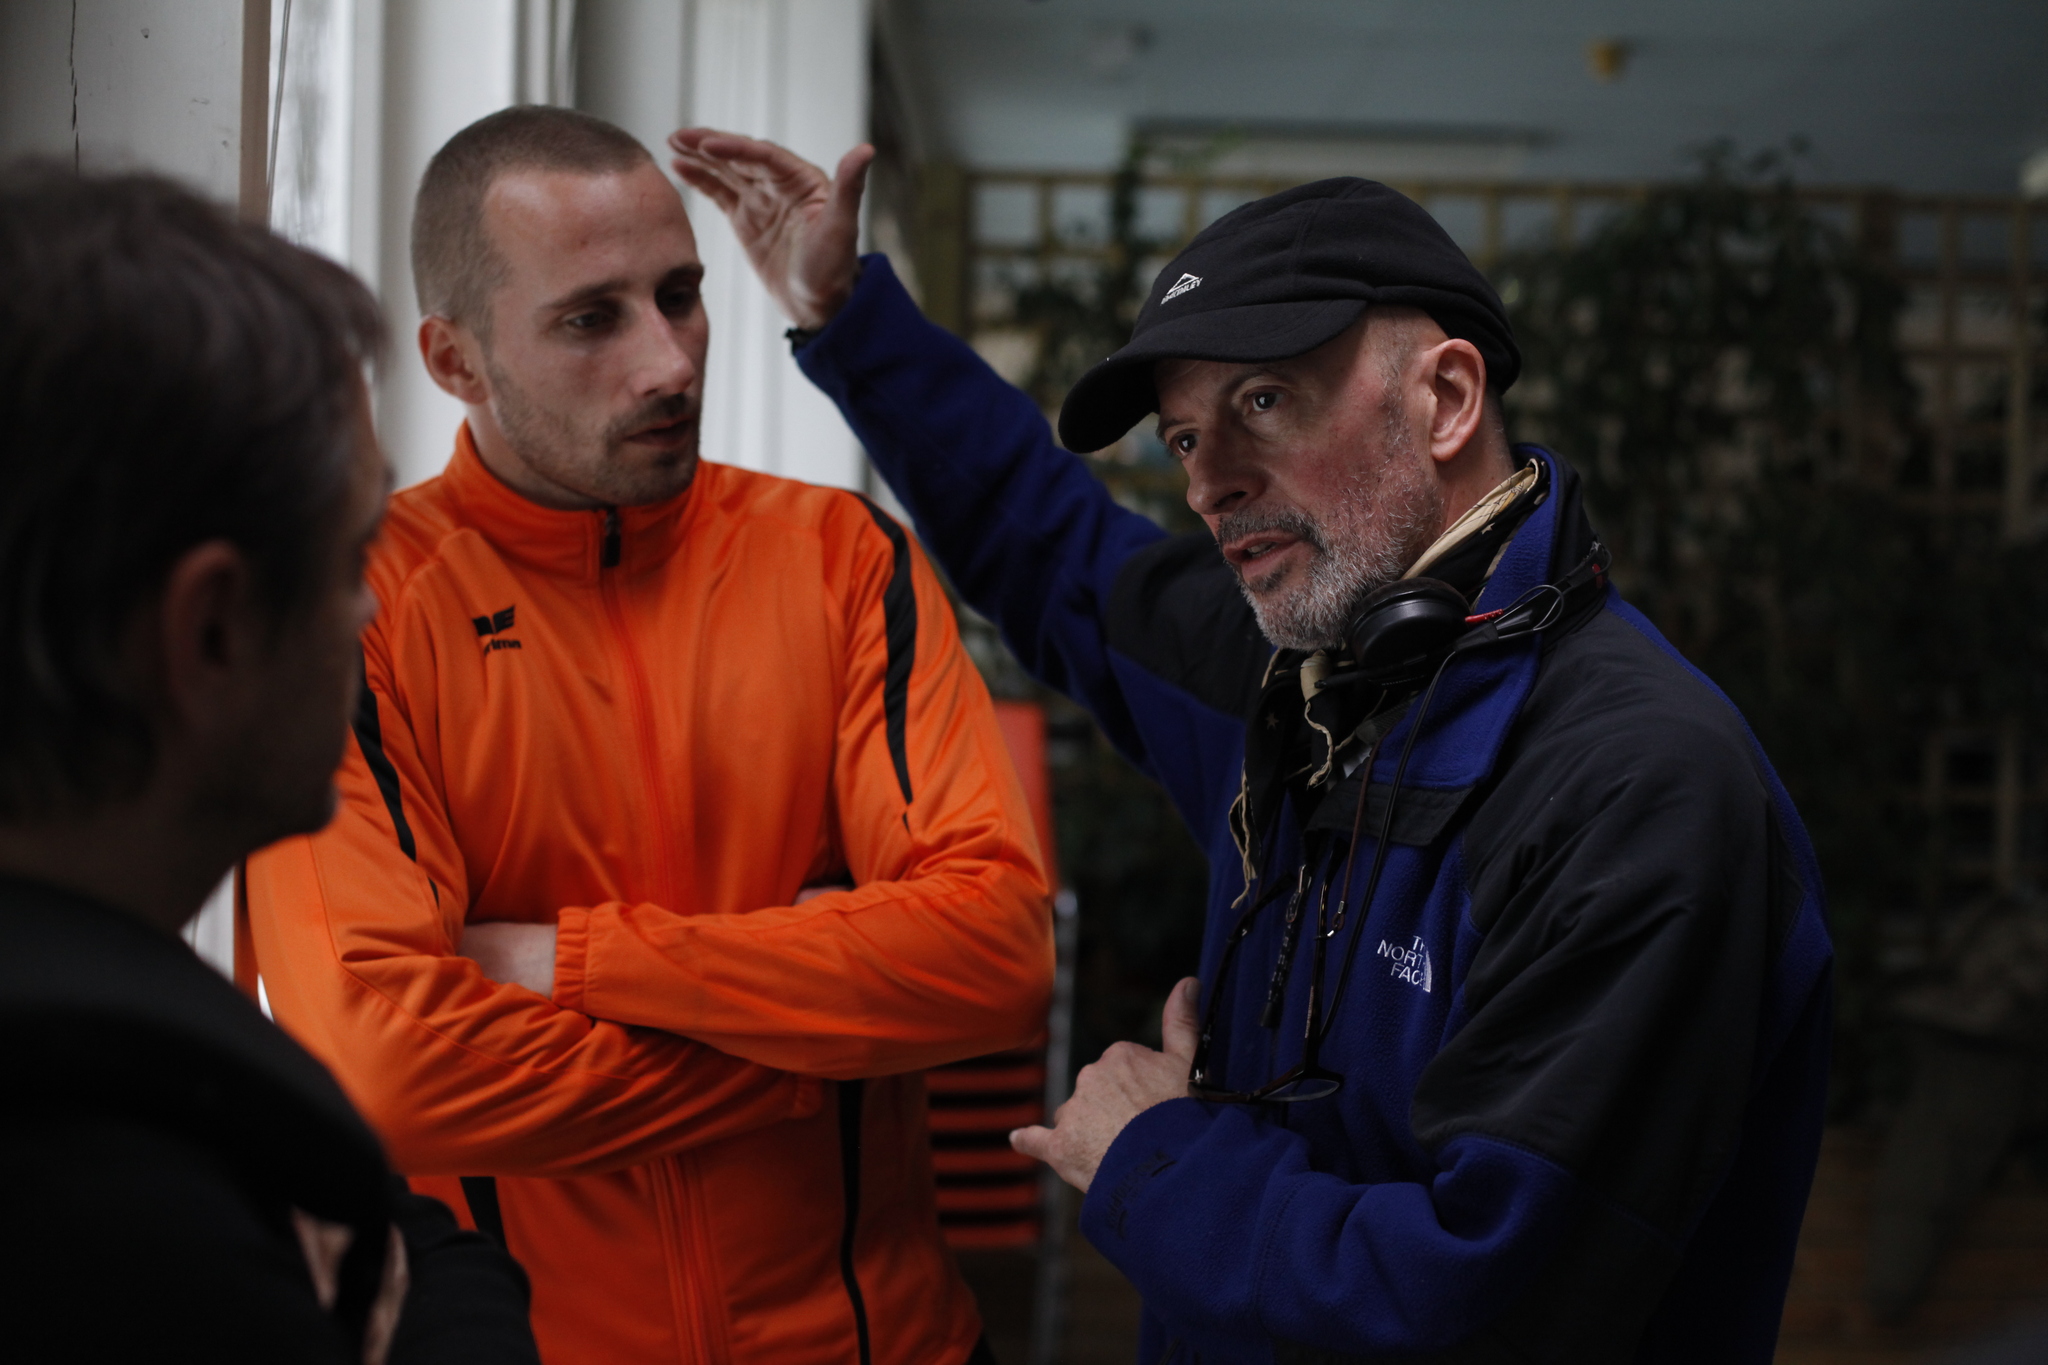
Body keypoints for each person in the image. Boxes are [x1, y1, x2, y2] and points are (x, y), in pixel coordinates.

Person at [677, 129, 1835, 1364]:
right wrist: (847, 315)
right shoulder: (1294, 671)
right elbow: (1059, 553)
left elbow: (1492, 1303)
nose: (1207, 483)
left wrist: (1156, 1158)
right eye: (1183, 438)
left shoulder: (1638, 790)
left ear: (1443, 400)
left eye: (1263, 403)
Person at [242, 107, 1051, 1365]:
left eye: (680, 295)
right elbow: (387, 1066)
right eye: (591, 318)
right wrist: (805, 1052)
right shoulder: (361, 609)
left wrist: (569, 965)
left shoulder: (839, 563)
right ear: (454, 362)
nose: (671, 362)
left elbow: (994, 953)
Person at [0, 166, 539, 1364]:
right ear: (212, 631)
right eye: (352, 556)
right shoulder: (115, 1201)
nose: (368, 612)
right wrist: (452, 1291)